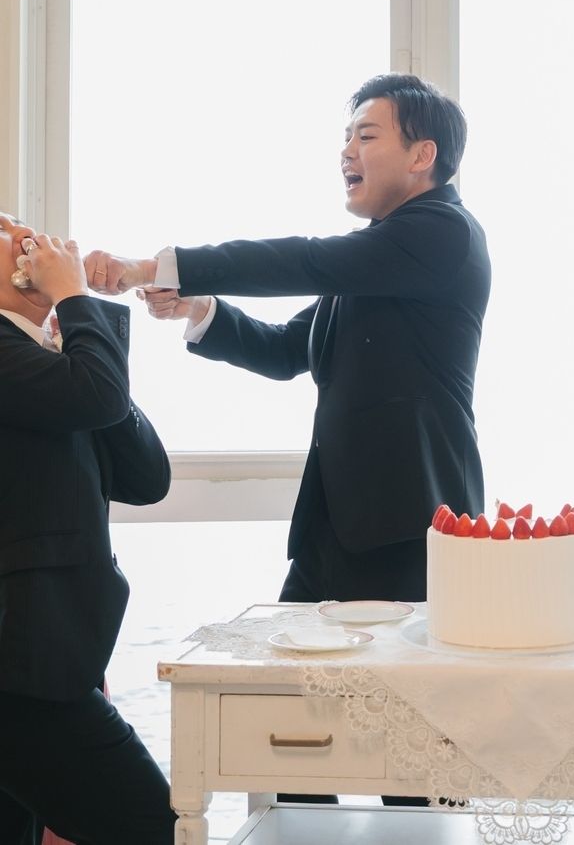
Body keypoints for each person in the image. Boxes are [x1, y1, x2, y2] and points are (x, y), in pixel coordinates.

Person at [83, 73, 491, 605]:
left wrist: (153, 268)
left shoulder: (443, 231)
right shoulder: (379, 259)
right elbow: (283, 351)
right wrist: (198, 307)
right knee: (284, 659)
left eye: (367, 136)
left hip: (409, 527)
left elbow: (304, 259)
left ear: (422, 155)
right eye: (347, 137)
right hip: (334, 529)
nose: (347, 151)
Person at [0, 216, 174, 845]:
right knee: (154, 826)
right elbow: (97, 395)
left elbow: (148, 477)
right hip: (23, 666)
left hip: (50, 654)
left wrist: (73, 336)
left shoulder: (52, 362)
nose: (23, 230)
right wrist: (75, 299)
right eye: (3, 231)